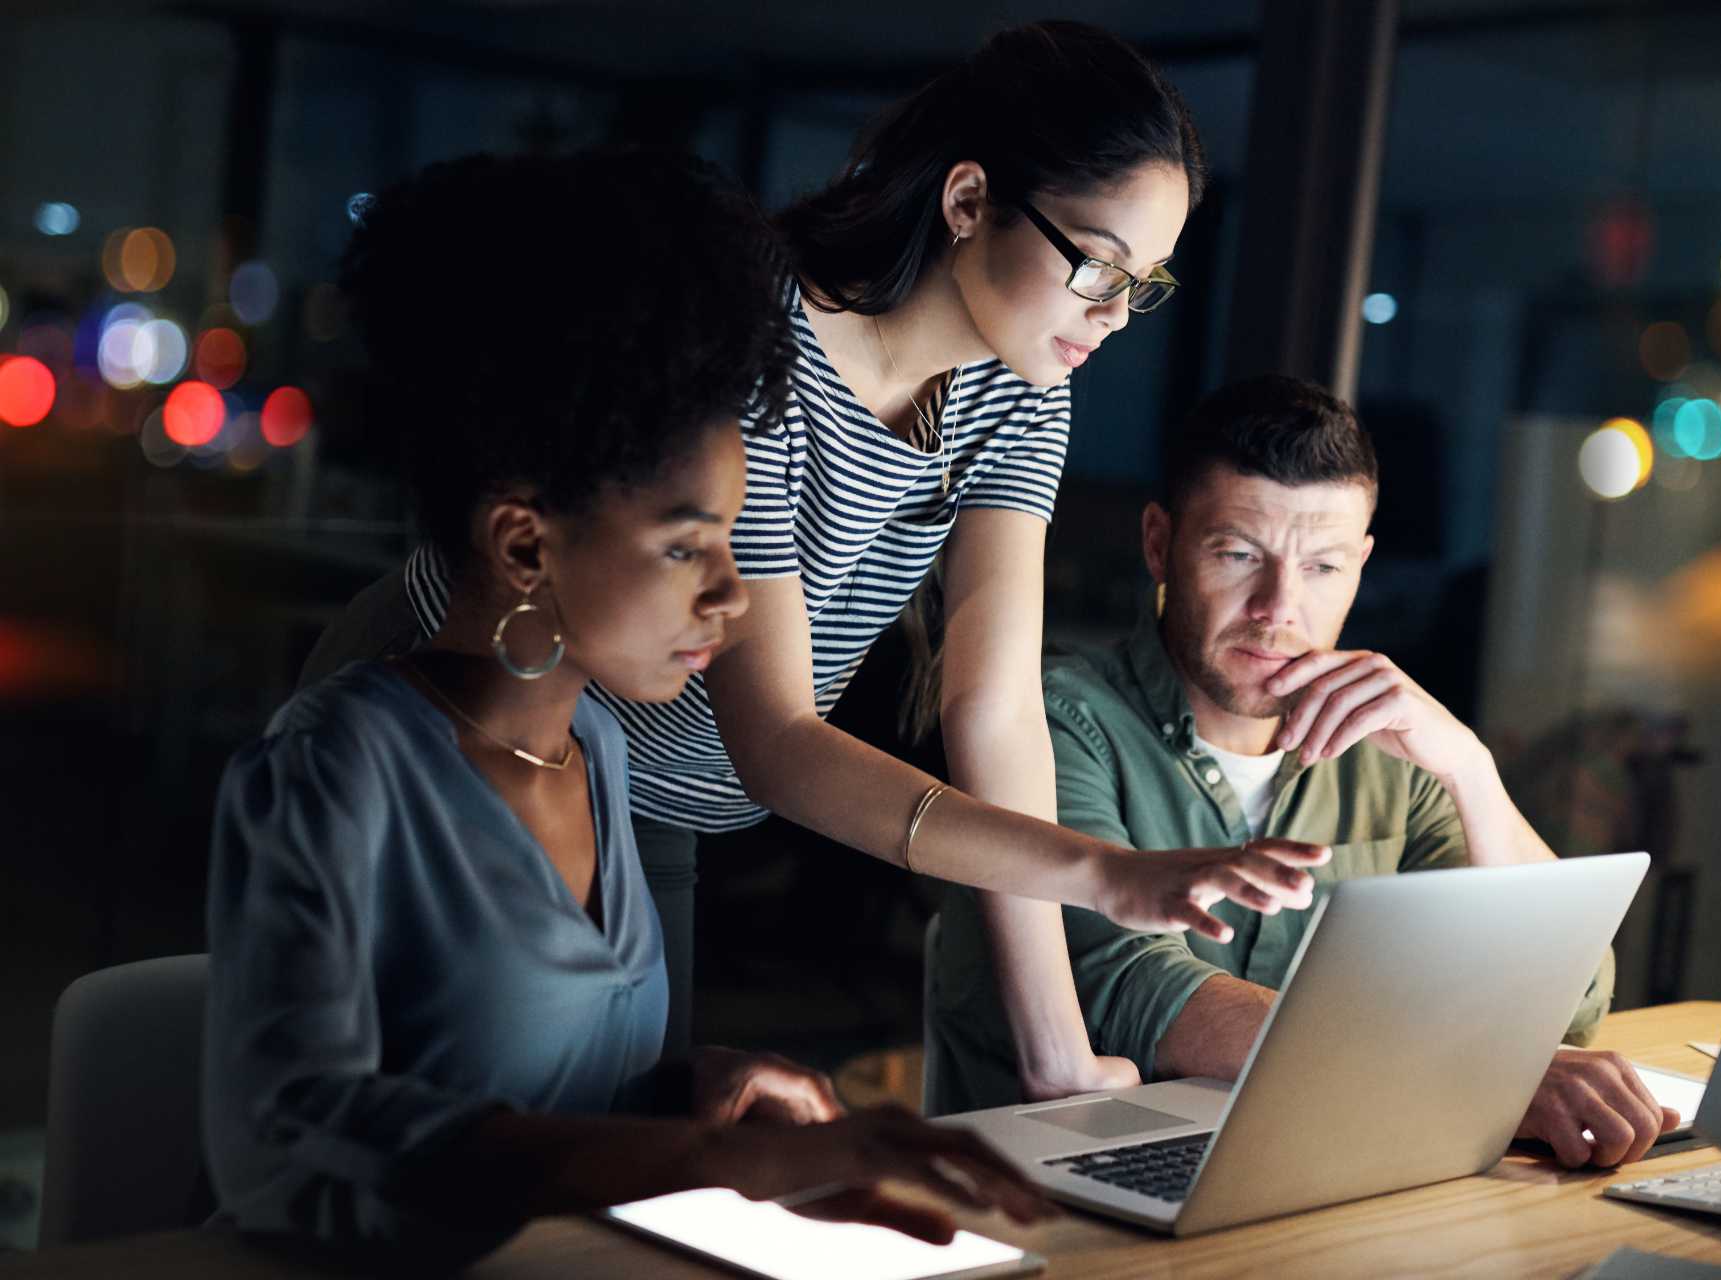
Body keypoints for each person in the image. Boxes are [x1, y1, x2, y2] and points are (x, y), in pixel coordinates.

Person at [304, 20, 1321, 1102]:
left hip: (657, 785)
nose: (1116, 314)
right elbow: (778, 737)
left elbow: (998, 711)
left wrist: (1054, 1048)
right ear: (969, 200)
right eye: (1098, 265)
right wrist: (1103, 871)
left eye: (1146, 283)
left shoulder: (1024, 390)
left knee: (613, 1131)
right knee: (415, 1108)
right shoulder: (754, 339)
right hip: (482, 703)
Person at [203, 148, 1054, 1267]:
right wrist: (710, 1162)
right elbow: (292, 1142)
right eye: (683, 546)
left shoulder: (595, 749)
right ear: (523, 543)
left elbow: (546, 1083)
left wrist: (702, 1092)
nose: (733, 593)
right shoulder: (336, 767)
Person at [927, 375, 1683, 1170]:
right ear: (1160, 543)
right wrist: (1458, 1072)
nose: (1277, 606)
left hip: (1305, 1172)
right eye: (1238, 554)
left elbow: (1573, 999)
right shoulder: (1053, 722)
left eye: (1322, 567)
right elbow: (1126, 986)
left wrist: (1471, 767)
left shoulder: (1392, 749)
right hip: (1048, 1193)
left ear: (1361, 564)